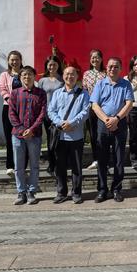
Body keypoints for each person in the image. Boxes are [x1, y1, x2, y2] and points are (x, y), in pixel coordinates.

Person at [90, 57, 134, 203]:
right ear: (106, 68)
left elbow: (129, 104)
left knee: (119, 159)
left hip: (120, 124)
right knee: (102, 159)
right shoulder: (100, 84)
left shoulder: (126, 84)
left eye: (116, 66)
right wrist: (107, 120)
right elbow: (94, 105)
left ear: (120, 69)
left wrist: (117, 118)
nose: (112, 69)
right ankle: (102, 190)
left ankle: (116, 189)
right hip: (103, 124)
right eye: (110, 66)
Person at [48, 66, 91, 204]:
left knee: (76, 167)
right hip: (60, 136)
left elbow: (85, 112)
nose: (69, 77)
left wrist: (72, 123)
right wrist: (60, 123)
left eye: (72, 74)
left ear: (77, 76)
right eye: (67, 74)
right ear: (63, 76)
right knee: (60, 166)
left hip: (76, 136)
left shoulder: (83, 94)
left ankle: (76, 193)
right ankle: (61, 193)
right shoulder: (57, 93)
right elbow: (51, 111)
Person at [8, 66, 47, 205]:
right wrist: (22, 130)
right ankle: (21, 192)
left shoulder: (41, 93)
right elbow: (11, 113)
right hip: (17, 136)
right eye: (24, 75)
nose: (27, 77)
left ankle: (31, 192)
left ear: (34, 76)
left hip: (34, 135)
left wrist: (31, 130)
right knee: (19, 166)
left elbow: (42, 113)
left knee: (34, 165)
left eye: (29, 74)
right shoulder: (15, 93)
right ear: (20, 77)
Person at [0, 50, 23, 176]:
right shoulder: (4, 74)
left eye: (17, 59)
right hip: (8, 108)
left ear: (21, 60)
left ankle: (22, 165)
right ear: (8, 61)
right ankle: (10, 165)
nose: (14, 62)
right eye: (12, 60)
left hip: (23, 109)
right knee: (9, 138)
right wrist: (8, 99)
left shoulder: (25, 73)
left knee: (22, 138)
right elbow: (1, 87)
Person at [37, 55, 64, 176]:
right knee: (50, 139)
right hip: (47, 115)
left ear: (58, 65)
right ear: (47, 66)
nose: (52, 67)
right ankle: (51, 163)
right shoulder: (42, 80)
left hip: (60, 115)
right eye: (50, 65)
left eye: (54, 64)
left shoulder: (63, 79)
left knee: (59, 139)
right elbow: (39, 98)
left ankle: (61, 163)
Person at [82, 49, 106, 169]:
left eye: (97, 57)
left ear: (101, 59)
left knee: (102, 134)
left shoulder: (105, 74)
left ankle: (104, 160)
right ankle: (96, 159)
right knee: (93, 134)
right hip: (91, 107)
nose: (94, 59)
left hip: (103, 108)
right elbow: (84, 90)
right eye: (92, 57)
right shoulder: (86, 74)